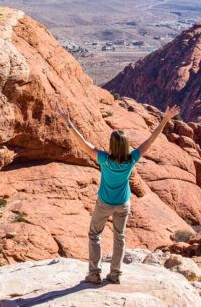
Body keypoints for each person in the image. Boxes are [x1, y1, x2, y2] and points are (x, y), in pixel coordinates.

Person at [65, 105, 181, 284]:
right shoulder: (132, 158)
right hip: (123, 204)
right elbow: (151, 140)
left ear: (112, 145)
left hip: (104, 203)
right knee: (119, 238)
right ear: (126, 145)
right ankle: (115, 274)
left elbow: (84, 144)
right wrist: (165, 120)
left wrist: (69, 124)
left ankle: (94, 274)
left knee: (95, 235)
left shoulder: (104, 159)